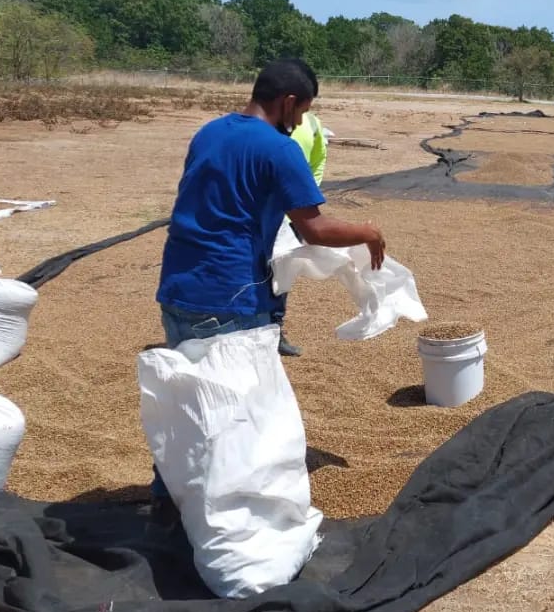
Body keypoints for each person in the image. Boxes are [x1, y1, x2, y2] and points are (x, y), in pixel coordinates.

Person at [153, 58, 385, 508]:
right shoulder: (279, 149)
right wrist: (368, 232)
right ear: (288, 102)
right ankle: (227, 515)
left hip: (178, 286)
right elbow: (313, 228)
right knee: (234, 415)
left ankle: (168, 508)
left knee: (188, 406)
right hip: (229, 295)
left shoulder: (209, 132)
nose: (299, 123)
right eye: (301, 114)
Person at [271, 109, 329, 356]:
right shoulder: (264, 124)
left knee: (282, 275)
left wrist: (304, 196)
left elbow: (318, 159)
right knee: (254, 272)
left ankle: (275, 332)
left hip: (291, 218)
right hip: (261, 216)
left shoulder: (313, 124)